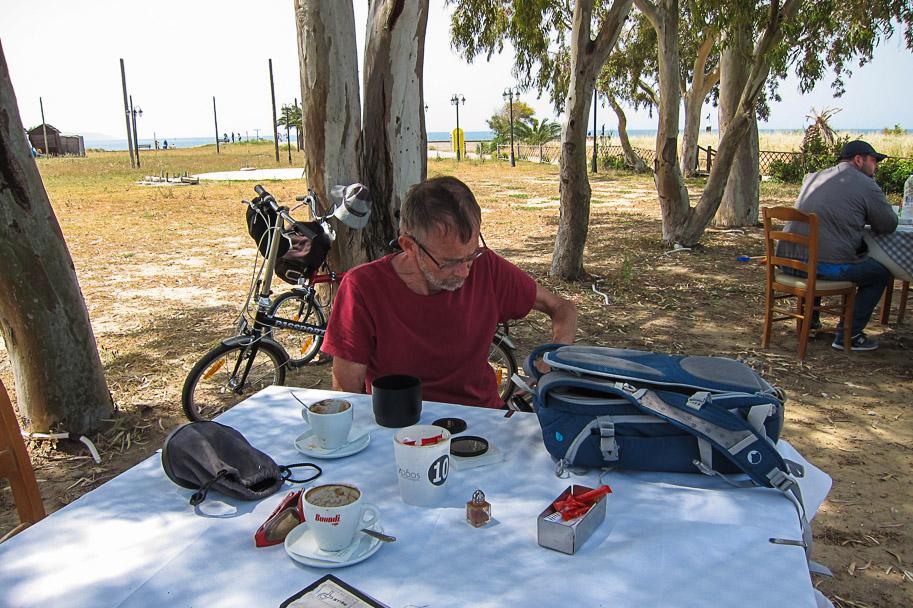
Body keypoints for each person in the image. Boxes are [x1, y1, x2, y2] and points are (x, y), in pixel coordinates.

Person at [321, 176, 578, 408]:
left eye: (471, 255)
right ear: (409, 246)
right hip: (403, 424)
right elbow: (346, 392)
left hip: (482, 418)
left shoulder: (486, 267)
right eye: (450, 262)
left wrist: (555, 357)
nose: (465, 271)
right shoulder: (364, 287)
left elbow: (563, 308)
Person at [779, 140, 898, 351]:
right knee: (880, 273)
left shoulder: (813, 177)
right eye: (873, 160)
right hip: (819, 266)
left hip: (787, 260)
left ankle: (812, 320)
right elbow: (888, 223)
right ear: (858, 160)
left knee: (823, 248)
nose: (876, 166)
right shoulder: (865, 183)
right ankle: (849, 334)